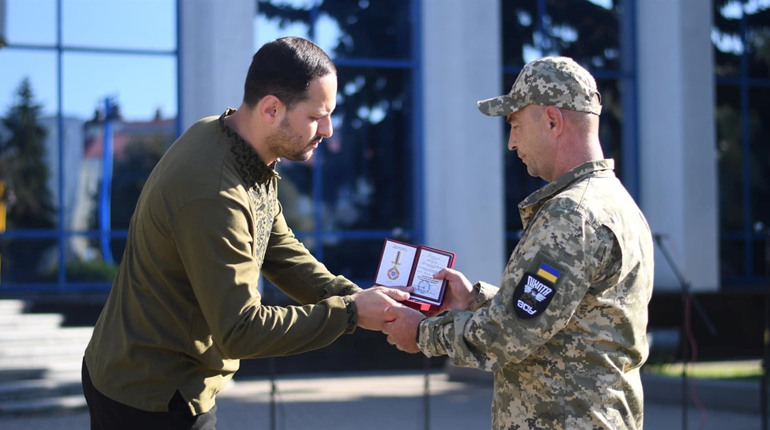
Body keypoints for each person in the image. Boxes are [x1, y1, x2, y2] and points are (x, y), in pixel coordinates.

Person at [82, 36, 410, 430]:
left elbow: (280, 248)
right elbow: (241, 330)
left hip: (147, 376)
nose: (327, 129)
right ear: (272, 109)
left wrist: (354, 297)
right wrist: (352, 314)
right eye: (315, 116)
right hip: (150, 398)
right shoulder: (214, 190)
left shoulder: (236, 145)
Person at [382, 56, 654, 430]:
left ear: (553, 121)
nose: (511, 143)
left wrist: (420, 333)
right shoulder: (615, 203)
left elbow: (509, 334)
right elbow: (566, 320)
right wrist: (475, 301)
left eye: (515, 125)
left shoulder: (571, 214)